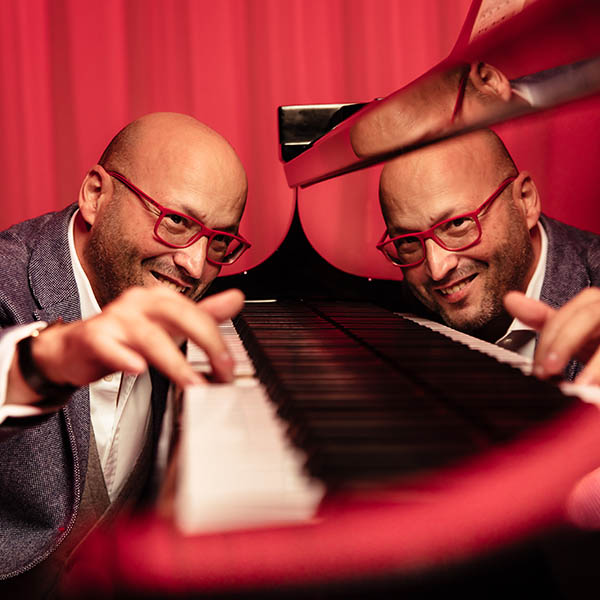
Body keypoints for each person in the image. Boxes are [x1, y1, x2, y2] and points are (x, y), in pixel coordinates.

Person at [0, 112, 250, 594]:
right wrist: (47, 362)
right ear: (96, 195)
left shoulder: (173, 297)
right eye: (176, 222)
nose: (194, 264)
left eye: (219, 241)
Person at [376, 128, 600, 383]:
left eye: (458, 223)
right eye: (407, 240)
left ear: (525, 201)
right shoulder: (400, 307)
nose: (437, 269)